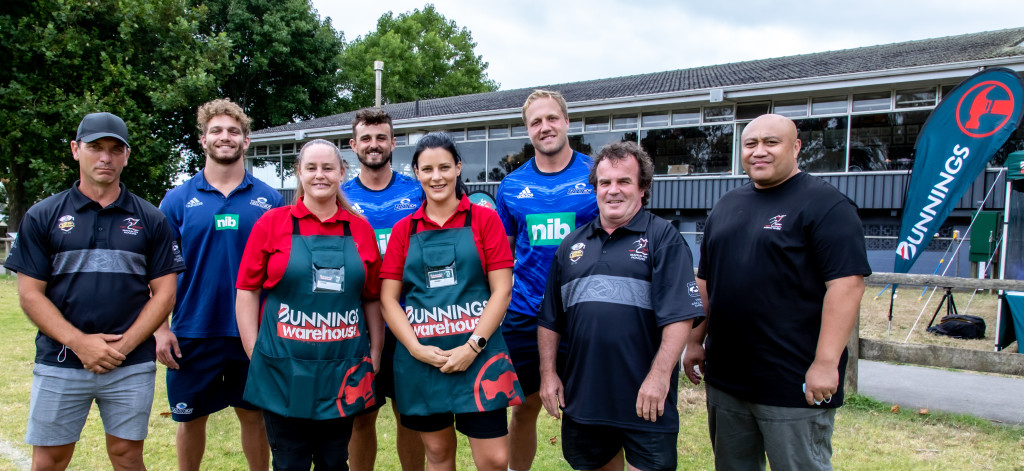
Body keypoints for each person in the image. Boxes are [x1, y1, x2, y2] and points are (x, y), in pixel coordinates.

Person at [683, 114, 870, 471]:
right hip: (726, 381)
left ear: (796, 147)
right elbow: (705, 281)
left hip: (793, 383)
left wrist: (826, 363)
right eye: (750, 144)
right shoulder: (726, 206)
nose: (759, 151)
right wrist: (695, 340)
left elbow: (847, 286)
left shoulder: (825, 205)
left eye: (771, 142)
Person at [4, 112, 185, 470]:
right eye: (95, 147)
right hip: (61, 359)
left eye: (115, 149)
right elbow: (29, 294)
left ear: (126, 155)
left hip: (130, 363)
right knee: (49, 459)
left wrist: (123, 346)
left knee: (127, 456)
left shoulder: (151, 219)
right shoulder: (43, 215)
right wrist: (80, 343)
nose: (105, 157)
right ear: (75, 149)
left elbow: (165, 293)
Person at [537, 142, 703, 471]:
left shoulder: (663, 238)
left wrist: (660, 377)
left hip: (646, 399)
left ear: (642, 188)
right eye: (605, 182)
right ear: (595, 188)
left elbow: (680, 316)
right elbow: (550, 320)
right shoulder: (571, 245)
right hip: (585, 400)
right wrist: (548, 374)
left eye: (624, 181)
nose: (613, 190)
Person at [235, 139, 383, 470]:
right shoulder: (272, 224)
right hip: (283, 369)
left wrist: (375, 351)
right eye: (311, 167)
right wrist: (254, 350)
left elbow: (372, 297)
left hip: (343, 368)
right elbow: (246, 290)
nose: (320, 175)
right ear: (299, 172)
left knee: (335, 461)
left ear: (341, 173)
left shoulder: (360, 229)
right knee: (289, 463)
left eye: (328, 168)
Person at [380, 132, 524, 471]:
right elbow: (388, 299)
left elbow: (502, 290)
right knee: (438, 453)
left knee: (495, 459)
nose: (437, 177)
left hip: (480, 355)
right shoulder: (404, 230)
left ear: (458, 168)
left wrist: (473, 347)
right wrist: (416, 349)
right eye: (427, 169)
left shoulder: (485, 220)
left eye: (444, 167)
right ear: (417, 173)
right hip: (424, 361)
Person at [156, 98, 280, 471]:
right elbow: (158, 272)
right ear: (203, 139)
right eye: (216, 131)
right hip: (192, 331)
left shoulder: (269, 199)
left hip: (252, 332)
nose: (224, 137)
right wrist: (160, 329)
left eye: (233, 131)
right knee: (190, 419)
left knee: (254, 416)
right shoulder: (177, 200)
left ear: (246, 140)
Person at [494, 89, 599, 471]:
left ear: (567, 122)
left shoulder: (597, 175)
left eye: (552, 118)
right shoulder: (510, 186)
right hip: (526, 315)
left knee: (590, 413)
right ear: (528, 130)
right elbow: (502, 257)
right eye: (536, 121)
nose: (545, 127)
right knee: (523, 408)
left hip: (583, 314)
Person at [341, 108, 425, 471]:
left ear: (393, 142)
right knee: (361, 417)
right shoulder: (340, 197)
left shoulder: (417, 191)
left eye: (381, 138)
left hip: (412, 322)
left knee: (410, 416)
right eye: (366, 138)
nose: (373, 145)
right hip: (358, 325)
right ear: (353, 144)